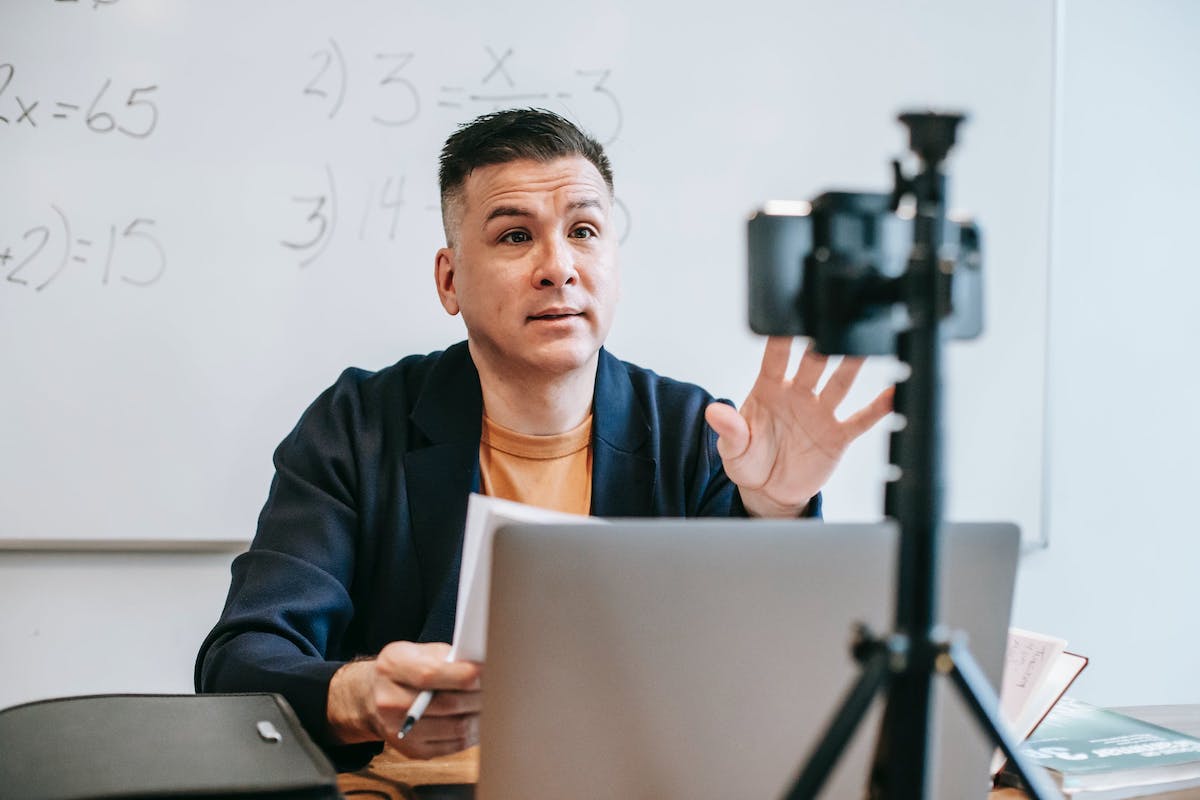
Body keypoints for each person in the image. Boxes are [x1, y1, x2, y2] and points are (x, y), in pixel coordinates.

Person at [195, 108, 892, 770]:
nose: (558, 265)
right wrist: (357, 694)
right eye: (514, 235)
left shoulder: (698, 431)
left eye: (584, 231)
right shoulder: (358, 425)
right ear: (449, 280)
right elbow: (239, 662)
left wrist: (775, 512)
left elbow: (766, 686)